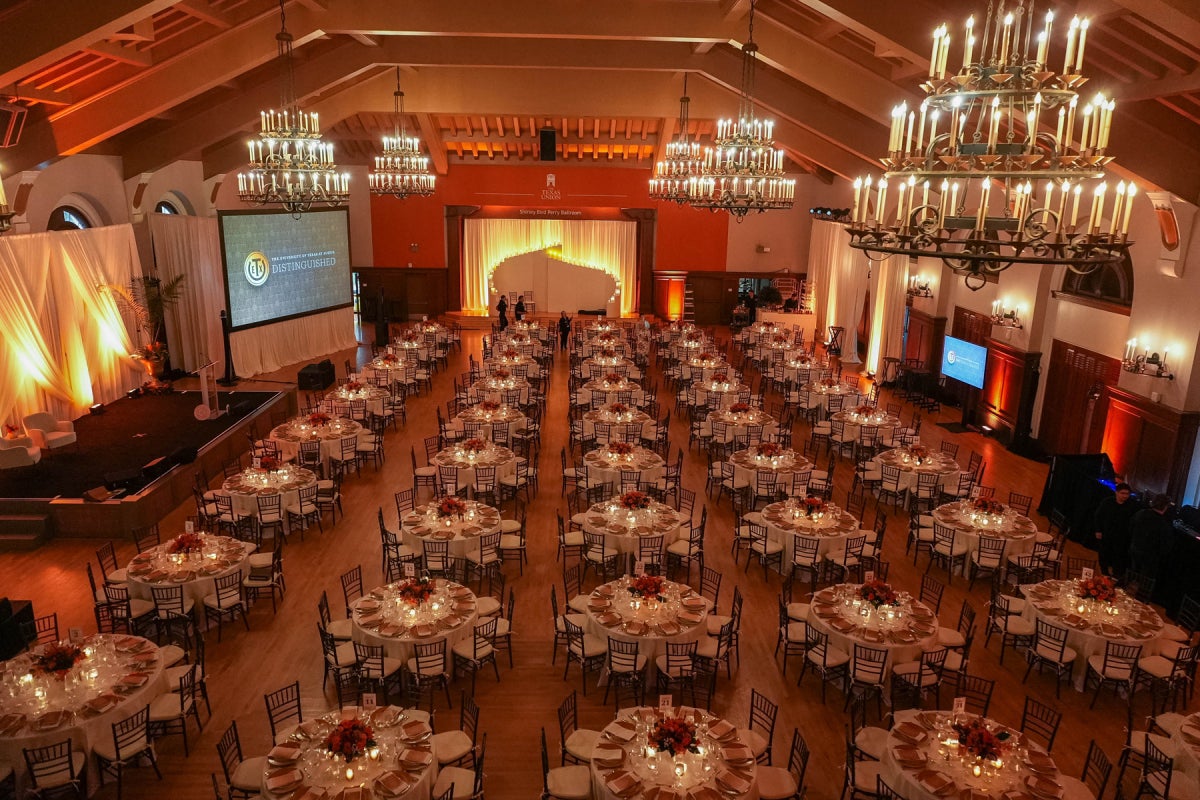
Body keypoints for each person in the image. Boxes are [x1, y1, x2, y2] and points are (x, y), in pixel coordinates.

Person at [1091, 482, 1137, 578]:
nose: (1125, 496)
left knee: (1118, 556)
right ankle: (1104, 572)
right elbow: (1098, 516)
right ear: (1116, 492)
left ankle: (1116, 575)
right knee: (1104, 553)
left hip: (1121, 536)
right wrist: (1098, 530)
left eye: (1127, 494)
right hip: (1106, 533)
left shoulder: (1131, 506)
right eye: (1122, 493)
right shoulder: (1107, 502)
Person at [1128, 494, 1173, 582]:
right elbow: (1166, 546)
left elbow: (1130, 529)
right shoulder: (1163, 524)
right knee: (1145, 582)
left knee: (1131, 574)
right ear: (1165, 507)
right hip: (1150, 558)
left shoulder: (1140, 513)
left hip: (1134, 549)